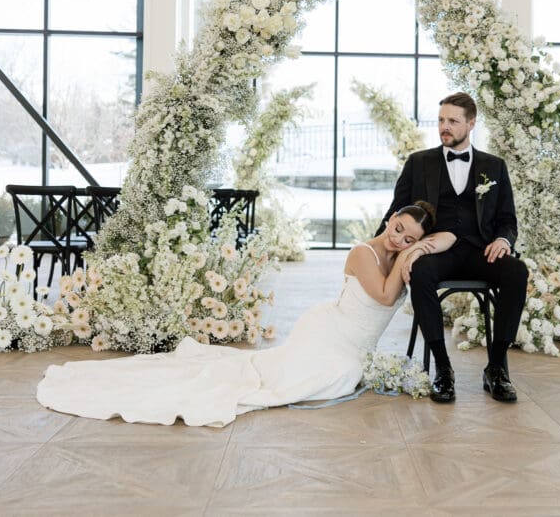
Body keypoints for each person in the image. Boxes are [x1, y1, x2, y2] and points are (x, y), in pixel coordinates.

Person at [36, 201, 450, 427]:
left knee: (338, 379)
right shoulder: (364, 253)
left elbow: (453, 238)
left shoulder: (405, 249)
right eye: (399, 230)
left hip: (354, 342)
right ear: (392, 218)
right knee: (325, 381)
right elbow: (382, 295)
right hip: (330, 332)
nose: (399, 240)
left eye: (409, 239)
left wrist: (427, 245)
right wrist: (411, 253)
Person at [378, 92, 528, 404]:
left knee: (516, 271)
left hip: (480, 251)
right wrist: (377, 253)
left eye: (453, 121)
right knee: (418, 272)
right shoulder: (418, 163)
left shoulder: (494, 166)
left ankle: (497, 367)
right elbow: (395, 213)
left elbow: (507, 219)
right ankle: (443, 370)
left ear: (471, 124)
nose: (444, 127)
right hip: (435, 252)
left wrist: (503, 240)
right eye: (441, 120)